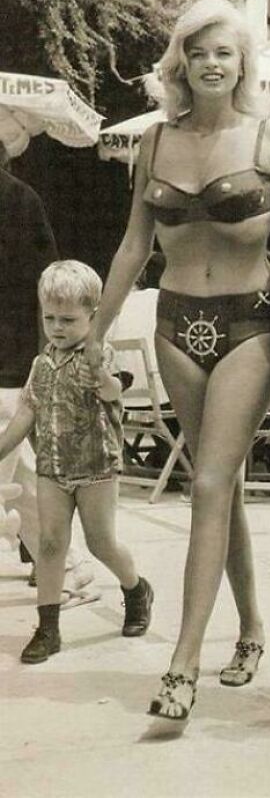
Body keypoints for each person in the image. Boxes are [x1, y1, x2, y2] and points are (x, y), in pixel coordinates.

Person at [87, 0, 270, 721]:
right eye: (199, 51)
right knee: (222, 486)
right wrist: (93, 332)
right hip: (176, 323)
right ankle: (249, 630)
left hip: (251, 325)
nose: (212, 63)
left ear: (244, 63)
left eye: (226, 52)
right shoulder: (154, 142)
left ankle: (182, 663)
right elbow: (132, 246)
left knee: (211, 482)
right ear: (180, 62)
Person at [0, 261, 153, 663]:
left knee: (101, 542)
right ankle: (48, 628)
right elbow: (23, 418)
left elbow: (114, 389)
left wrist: (101, 377)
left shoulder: (97, 356)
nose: (57, 327)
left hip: (96, 466)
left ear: (93, 315)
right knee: (51, 544)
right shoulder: (41, 365)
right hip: (52, 467)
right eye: (49, 317)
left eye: (68, 319)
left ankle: (135, 587)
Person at [0, 149, 97, 608]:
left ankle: (69, 569)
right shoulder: (23, 199)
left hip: (9, 365)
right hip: (13, 364)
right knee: (18, 480)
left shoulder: (18, 201)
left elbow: (47, 291)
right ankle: (70, 570)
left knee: (14, 480)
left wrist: (47, 359)